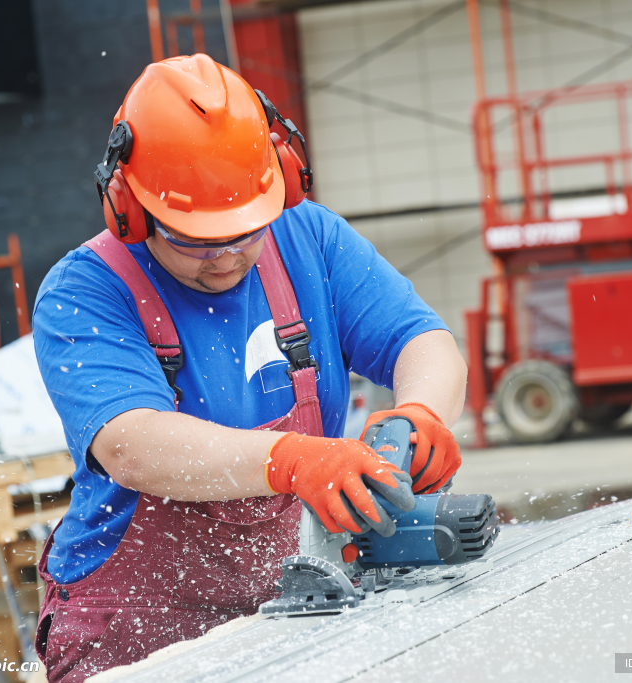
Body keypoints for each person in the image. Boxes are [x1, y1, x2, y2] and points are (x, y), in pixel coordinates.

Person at [31, 53, 466, 683]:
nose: (227, 258)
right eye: (194, 239)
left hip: (297, 600)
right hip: (137, 625)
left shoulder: (307, 238)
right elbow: (132, 444)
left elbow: (419, 340)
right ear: (128, 207)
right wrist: (292, 460)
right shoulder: (85, 292)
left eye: (245, 231)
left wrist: (424, 413)